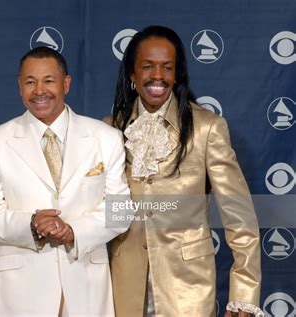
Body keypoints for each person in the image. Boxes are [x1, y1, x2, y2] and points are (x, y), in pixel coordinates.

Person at [109, 26, 263, 316]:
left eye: (167, 67)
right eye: (147, 67)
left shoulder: (207, 128)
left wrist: (245, 293)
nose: (157, 76)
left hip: (188, 289)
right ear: (132, 74)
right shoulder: (110, 129)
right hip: (123, 288)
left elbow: (239, 215)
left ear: (177, 74)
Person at [0, 46, 130, 316]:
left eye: (48, 81)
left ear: (66, 84)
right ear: (20, 86)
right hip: (23, 292)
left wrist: (74, 231)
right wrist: (29, 224)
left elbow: (120, 210)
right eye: (30, 82)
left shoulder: (106, 137)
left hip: (87, 285)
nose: (39, 91)